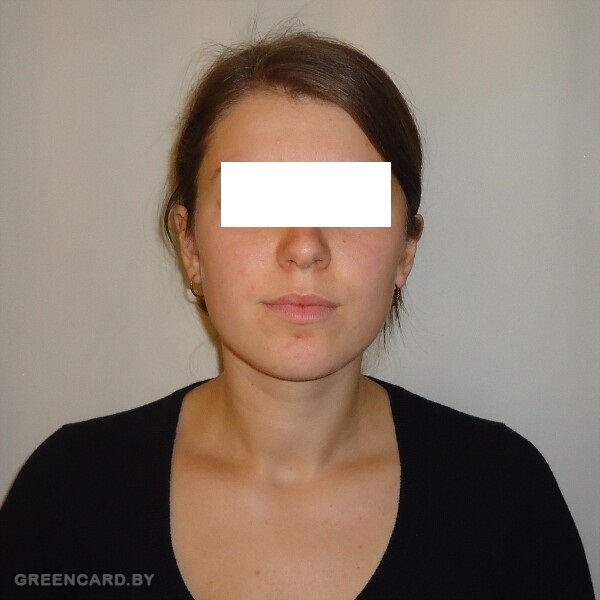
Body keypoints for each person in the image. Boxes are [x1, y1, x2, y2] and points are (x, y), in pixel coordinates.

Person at [0, 30, 594, 600]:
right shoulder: (69, 494)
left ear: (405, 252)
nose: (305, 246)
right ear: (190, 244)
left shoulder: (504, 498)